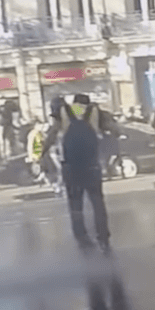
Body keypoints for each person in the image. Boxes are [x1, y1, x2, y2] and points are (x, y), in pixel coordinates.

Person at [60, 94, 111, 252]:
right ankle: (103, 236)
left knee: (76, 204)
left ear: (74, 102)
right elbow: (111, 129)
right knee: (97, 203)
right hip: (91, 166)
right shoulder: (94, 111)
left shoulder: (65, 112)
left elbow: (54, 133)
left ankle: (81, 236)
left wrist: (42, 152)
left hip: (72, 168)